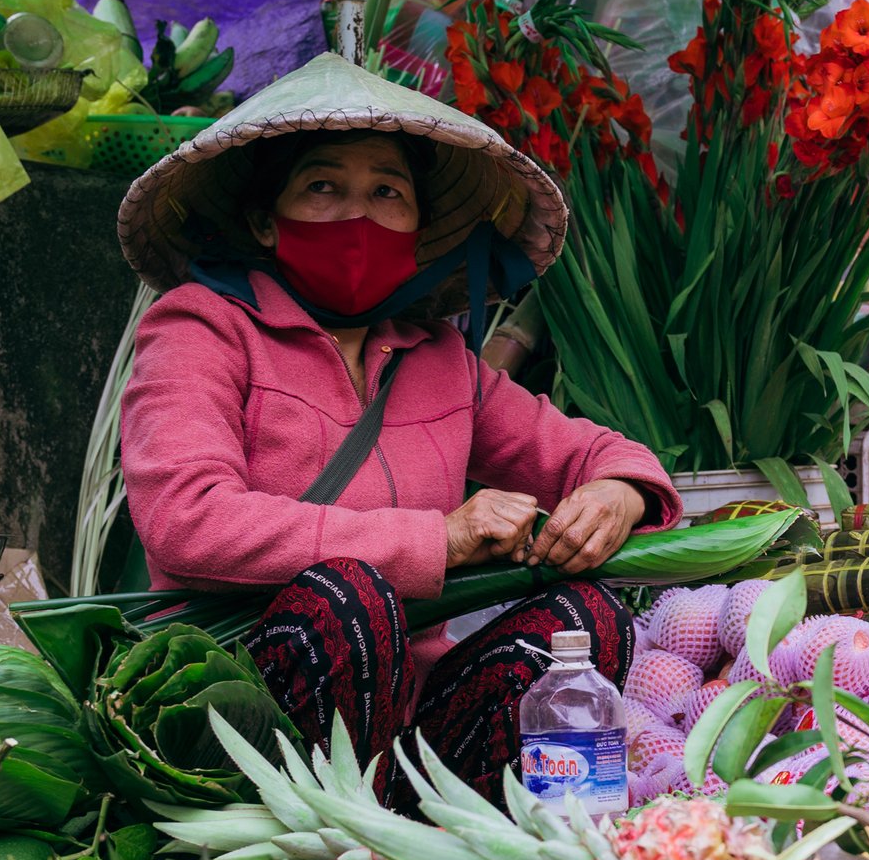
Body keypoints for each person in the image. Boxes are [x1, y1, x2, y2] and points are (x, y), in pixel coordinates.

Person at [114, 54, 681, 801]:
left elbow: (593, 450)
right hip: (249, 703)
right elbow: (189, 522)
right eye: (323, 186)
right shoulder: (200, 329)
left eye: (388, 191)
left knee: (586, 620)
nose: (359, 215)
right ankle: (354, 853)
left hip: (413, 718)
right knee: (346, 597)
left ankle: (474, 838)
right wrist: (437, 539)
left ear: (416, 228)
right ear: (262, 221)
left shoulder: (439, 360)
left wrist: (618, 493)